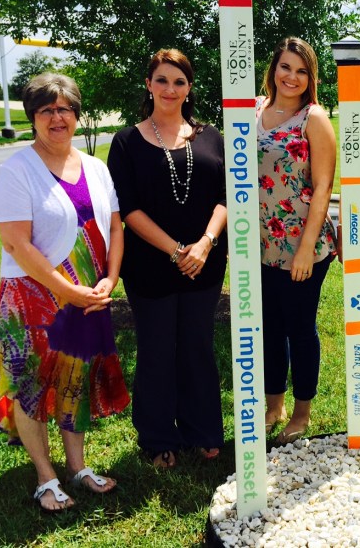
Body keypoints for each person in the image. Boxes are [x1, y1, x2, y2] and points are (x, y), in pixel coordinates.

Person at [0, 73, 129, 512]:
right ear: (33, 118)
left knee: (74, 378)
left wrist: (110, 279)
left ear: (77, 116)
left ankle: (77, 467)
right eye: (46, 110)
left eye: (64, 109)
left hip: (88, 296)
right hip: (35, 298)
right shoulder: (17, 170)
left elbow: (115, 227)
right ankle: (46, 476)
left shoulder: (96, 168)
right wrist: (67, 290)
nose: (56, 117)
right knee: (29, 384)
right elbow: (15, 243)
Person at [107, 49, 227, 469]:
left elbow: (227, 198)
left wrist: (204, 244)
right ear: (148, 85)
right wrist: (176, 250)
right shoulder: (126, 142)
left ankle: (204, 431)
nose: (170, 89)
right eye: (162, 80)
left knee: (197, 347)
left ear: (189, 87)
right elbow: (128, 207)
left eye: (179, 81)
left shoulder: (212, 137)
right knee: (157, 350)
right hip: (150, 268)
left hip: (204, 264)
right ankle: (159, 438)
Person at [257, 38, 337, 444]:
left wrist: (306, 248)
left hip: (303, 243)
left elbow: (323, 186)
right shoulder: (252, 111)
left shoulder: (314, 118)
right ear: (273, 69)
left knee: (299, 327)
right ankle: (274, 405)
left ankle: (302, 412)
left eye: (301, 70)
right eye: (286, 67)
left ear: (311, 78)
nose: (292, 77)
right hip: (260, 242)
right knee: (269, 327)